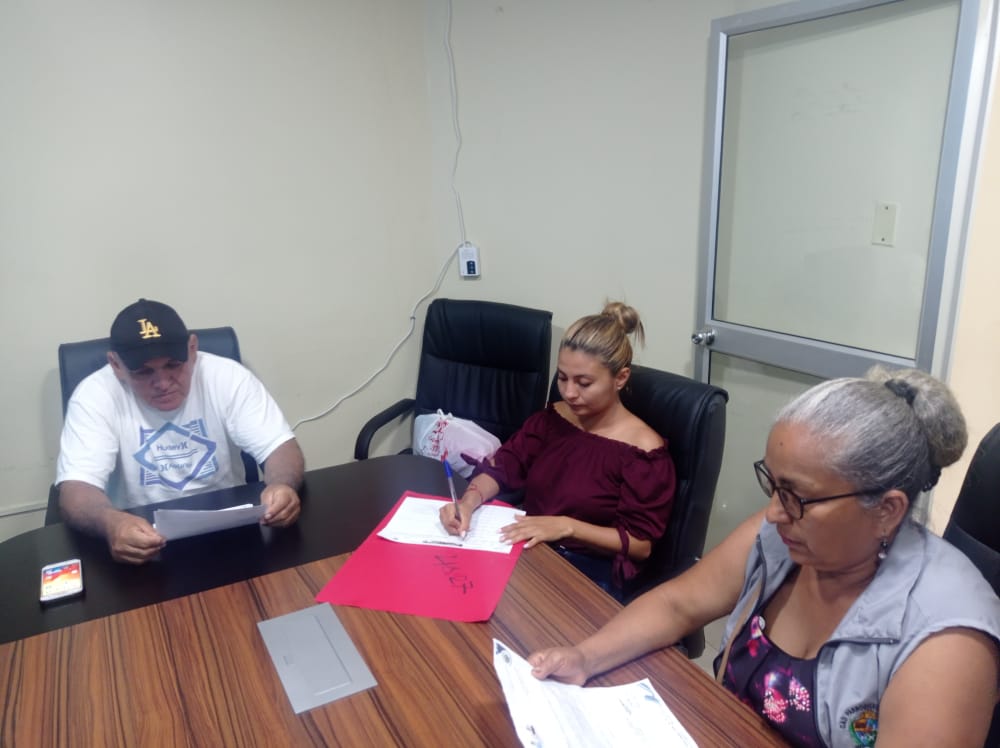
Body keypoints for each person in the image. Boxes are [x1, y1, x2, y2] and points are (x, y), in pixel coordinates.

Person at [528, 366, 1000, 747]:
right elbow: (677, 605)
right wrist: (584, 657)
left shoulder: (948, 639)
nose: (773, 512)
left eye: (796, 496)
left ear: (887, 510)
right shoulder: (785, 534)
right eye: (773, 484)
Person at [439, 301, 676, 598]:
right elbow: (506, 465)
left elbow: (640, 545)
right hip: (531, 547)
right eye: (562, 378)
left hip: (586, 570)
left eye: (584, 383)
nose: (569, 393)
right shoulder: (553, 419)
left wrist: (566, 527)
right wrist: (468, 502)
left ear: (620, 378)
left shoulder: (643, 453)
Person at [56, 299, 305, 565]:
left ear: (192, 349)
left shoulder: (227, 376)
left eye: (174, 364)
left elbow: (280, 447)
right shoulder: (94, 395)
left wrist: (281, 485)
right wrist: (111, 522)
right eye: (143, 372)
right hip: (140, 537)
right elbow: (76, 489)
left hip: (229, 528)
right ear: (116, 365)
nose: (163, 383)